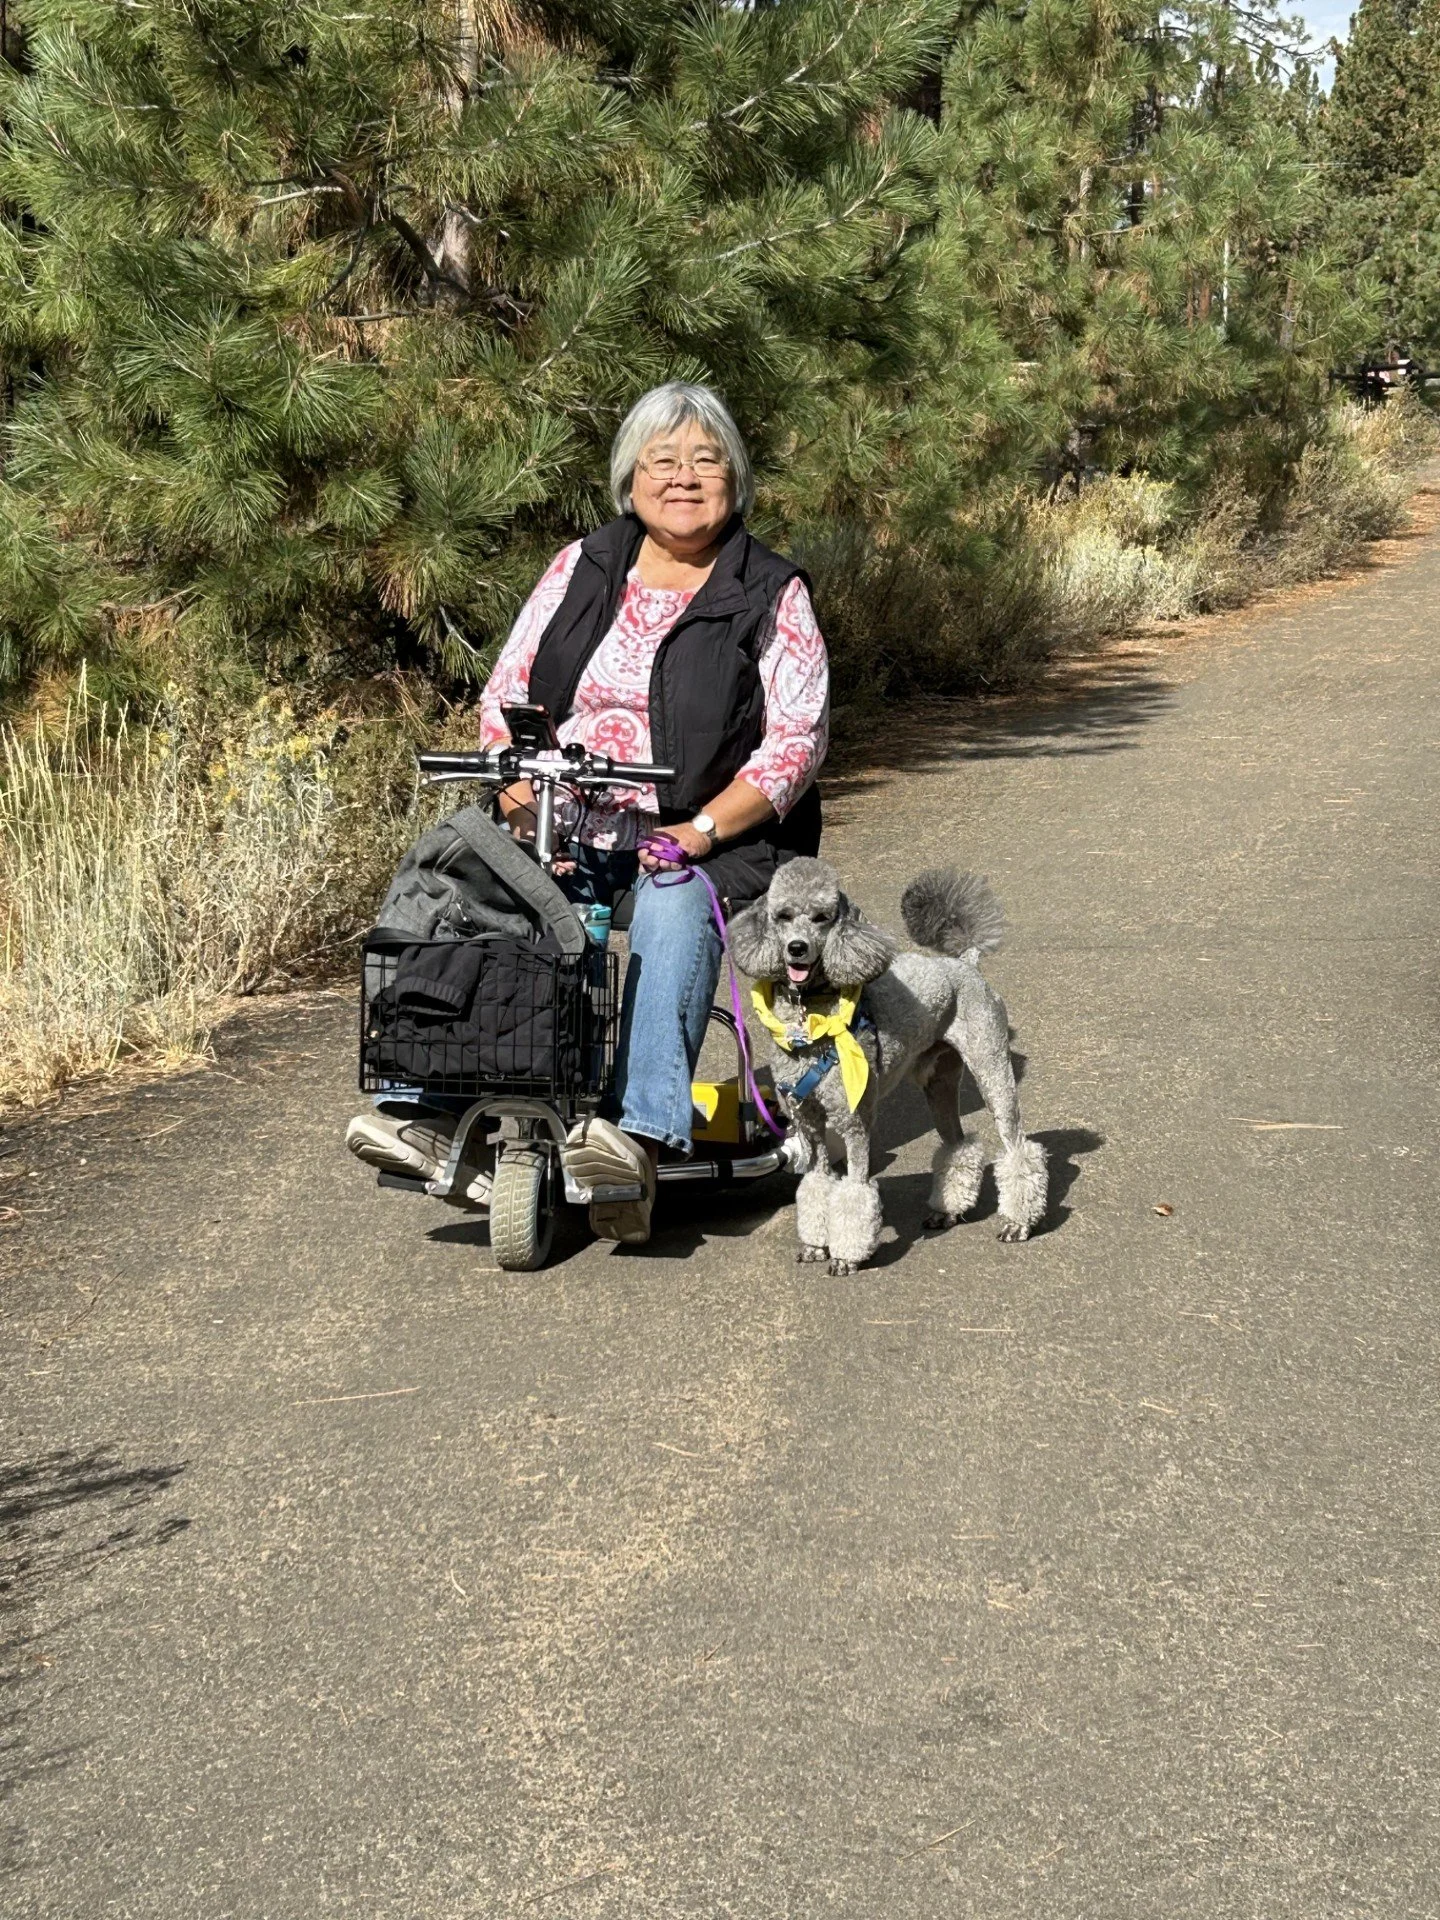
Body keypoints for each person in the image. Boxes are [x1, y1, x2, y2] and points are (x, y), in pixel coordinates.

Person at [350, 381, 829, 1245]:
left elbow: (796, 741)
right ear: (629, 479)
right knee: (457, 874)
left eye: (705, 460)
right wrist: (516, 794)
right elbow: (508, 692)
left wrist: (700, 831)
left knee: (674, 903)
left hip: (709, 837)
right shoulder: (584, 564)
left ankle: (633, 1138)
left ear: (736, 479)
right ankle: (430, 1107)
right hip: (560, 821)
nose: (682, 477)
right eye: (661, 460)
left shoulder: (768, 589)